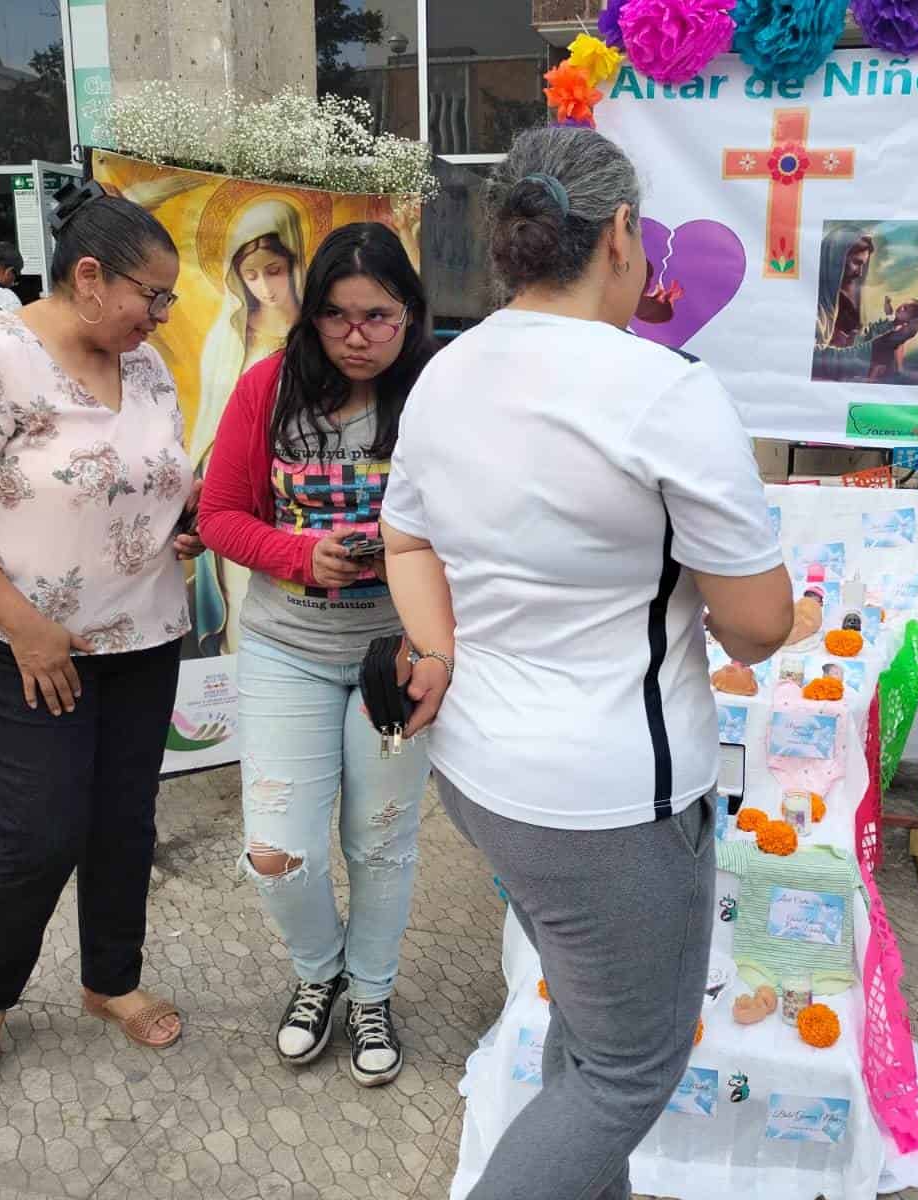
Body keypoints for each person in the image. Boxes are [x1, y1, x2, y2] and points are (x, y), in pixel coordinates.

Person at [379, 127, 793, 1197]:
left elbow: (407, 536)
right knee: (627, 1068)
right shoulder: (662, 391)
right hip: (611, 803)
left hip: (481, 776)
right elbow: (758, 625)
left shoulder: (445, 372)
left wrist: (435, 648)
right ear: (619, 236)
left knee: (588, 1023)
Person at [0, 180, 204, 1091]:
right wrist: (26, 627)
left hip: (142, 637)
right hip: (19, 647)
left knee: (123, 821)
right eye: (155, 294)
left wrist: (175, 521)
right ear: (92, 277)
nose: (163, 314)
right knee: (42, 827)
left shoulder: (141, 363)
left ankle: (112, 980)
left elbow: (145, 478)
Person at [197, 222, 436, 1088]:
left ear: (410, 313)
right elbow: (220, 513)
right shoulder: (269, 387)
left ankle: (370, 993)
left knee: (381, 842)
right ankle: (320, 971)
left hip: (398, 657)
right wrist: (302, 555)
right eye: (336, 317)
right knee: (276, 849)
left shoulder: (436, 394)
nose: (358, 336)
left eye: (378, 316)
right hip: (286, 649)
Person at [192, 200, 310, 656]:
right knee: (246, 614)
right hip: (247, 501)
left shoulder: (323, 334)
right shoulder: (229, 336)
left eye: (274, 270)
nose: (264, 286)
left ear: (296, 261)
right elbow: (210, 425)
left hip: (310, 504)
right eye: (252, 274)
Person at [812, 228, 918, 384]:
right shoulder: (813, 304)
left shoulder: (837, 303)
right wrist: (878, 346)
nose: (859, 273)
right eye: (857, 263)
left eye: (863, 265)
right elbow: (815, 359)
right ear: (836, 260)